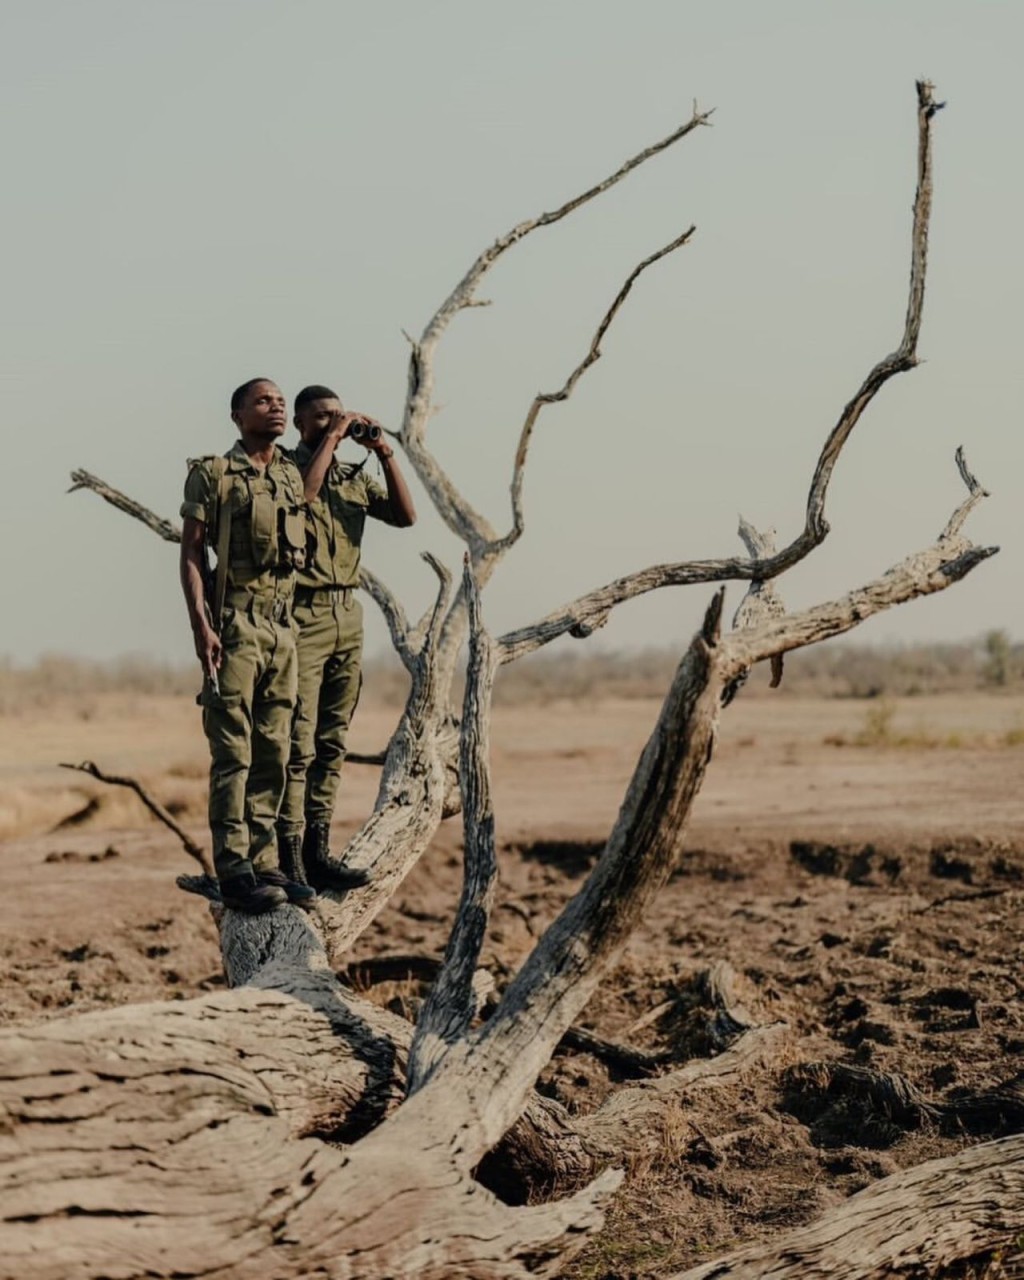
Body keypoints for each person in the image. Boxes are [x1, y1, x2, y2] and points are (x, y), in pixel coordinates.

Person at [179, 378, 317, 913]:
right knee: (233, 750)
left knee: (274, 751)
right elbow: (191, 553)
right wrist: (202, 625)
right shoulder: (212, 473)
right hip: (234, 622)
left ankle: (265, 863)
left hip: (283, 629)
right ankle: (234, 870)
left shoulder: (287, 473)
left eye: (281, 400)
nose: (277, 406)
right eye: (263, 400)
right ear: (237, 416)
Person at [276, 384, 417, 890]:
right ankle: (289, 857)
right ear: (299, 424)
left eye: (337, 415)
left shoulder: (352, 479)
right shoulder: (284, 469)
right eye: (320, 417)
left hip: (346, 616)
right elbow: (303, 496)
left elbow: (405, 516)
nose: (332, 423)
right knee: (298, 742)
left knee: (332, 741)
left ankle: (319, 852)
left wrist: (384, 453)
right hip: (303, 616)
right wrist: (335, 437)